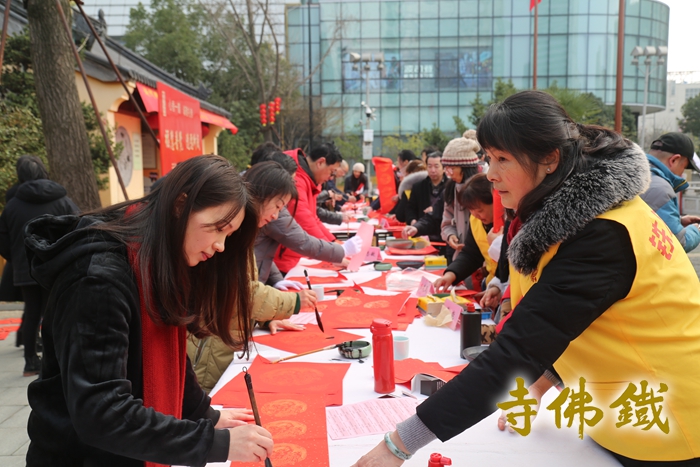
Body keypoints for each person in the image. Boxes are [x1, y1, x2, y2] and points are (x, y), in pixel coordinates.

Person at [352, 91, 700, 466]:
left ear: (550, 159)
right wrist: (537, 387)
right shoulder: (568, 216)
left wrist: (396, 447)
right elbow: (569, 321)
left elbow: (521, 348)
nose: (490, 173)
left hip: (671, 419)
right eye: (488, 158)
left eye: (503, 159)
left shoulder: (603, 234)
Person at [25, 155, 273, 466]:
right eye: (217, 228)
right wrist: (213, 443)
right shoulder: (99, 280)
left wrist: (204, 414)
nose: (221, 245)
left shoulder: (155, 259)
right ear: (181, 205)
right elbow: (102, 412)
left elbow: (171, 358)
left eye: (228, 235)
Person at [189, 161, 313, 393]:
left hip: (221, 344)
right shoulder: (230, 236)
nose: (276, 216)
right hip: (208, 350)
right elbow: (241, 292)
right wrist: (293, 302)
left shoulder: (240, 232)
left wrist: (263, 318)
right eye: (277, 206)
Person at [0, 155, 78, 376]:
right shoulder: (62, 200)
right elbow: (77, 227)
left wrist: (16, 258)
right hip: (56, 265)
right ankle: (56, 361)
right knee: (54, 313)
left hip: (25, 268)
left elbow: (3, 239)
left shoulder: (13, 205)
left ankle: (30, 362)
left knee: (32, 313)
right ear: (43, 171)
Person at [256, 155, 360, 282]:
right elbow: (302, 239)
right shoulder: (270, 205)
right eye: (332, 171)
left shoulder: (272, 202)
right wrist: (340, 250)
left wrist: (277, 281)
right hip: (280, 263)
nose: (331, 177)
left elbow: (265, 256)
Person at [274, 143, 345, 273]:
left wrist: (332, 242)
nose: (330, 178)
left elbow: (313, 218)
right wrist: (332, 253)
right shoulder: (297, 179)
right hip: (281, 260)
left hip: (291, 256)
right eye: (331, 172)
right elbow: (304, 220)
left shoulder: (309, 180)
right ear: (320, 162)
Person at [432, 173, 497, 289]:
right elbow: (471, 254)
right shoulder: (475, 220)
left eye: (480, 210)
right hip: (492, 285)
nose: (475, 215)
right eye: (471, 210)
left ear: (495, 202)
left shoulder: (509, 223)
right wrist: (450, 274)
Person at [640, 132, 700, 252]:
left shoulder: (633, 175)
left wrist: (678, 221)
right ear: (674, 160)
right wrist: (696, 230)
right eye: (684, 167)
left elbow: (643, 221)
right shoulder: (660, 188)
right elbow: (677, 242)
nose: (682, 173)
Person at [439, 130, 481, 261]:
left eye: (452, 169)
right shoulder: (452, 188)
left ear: (466, 167)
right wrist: (450, 235)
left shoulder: (484, 188)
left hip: (483, 257)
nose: (449, 174)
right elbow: (447, 220)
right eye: (446, 169)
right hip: (462, 257)